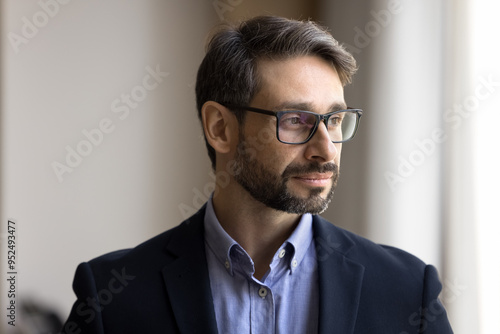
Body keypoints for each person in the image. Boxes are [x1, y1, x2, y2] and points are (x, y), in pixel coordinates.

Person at [61, 16, 453, 334]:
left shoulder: (406, 290)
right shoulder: (111, 295)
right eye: (296, 120)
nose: (326, 149)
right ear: (220, 128)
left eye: (334, 120)